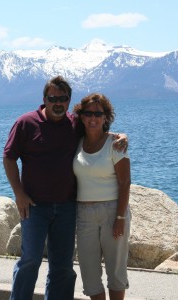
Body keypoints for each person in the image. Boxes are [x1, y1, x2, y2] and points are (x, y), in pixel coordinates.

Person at [3, 76, 128, 300]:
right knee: (30, 259)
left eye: (63, 99)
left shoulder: (74, 124)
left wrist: (121, 136)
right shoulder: (26, 123)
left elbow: (97, 130)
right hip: (34, 206)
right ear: (44, 99)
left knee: (62, 266)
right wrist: (19, 194)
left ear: (69, 101)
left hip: (67, 207)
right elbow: (9, 158)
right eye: (53, 99)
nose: (58, 103)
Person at [72, 93, 131, 300]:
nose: (93, 117)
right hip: (84, 214)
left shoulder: (115, 144)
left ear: (106, 117)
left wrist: (120, 218)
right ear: (81, 116)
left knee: (115, 271)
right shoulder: (76, 143)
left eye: (98, 113)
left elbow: (125, 183)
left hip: (112, 211)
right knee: (89, 273)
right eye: (88, 113)